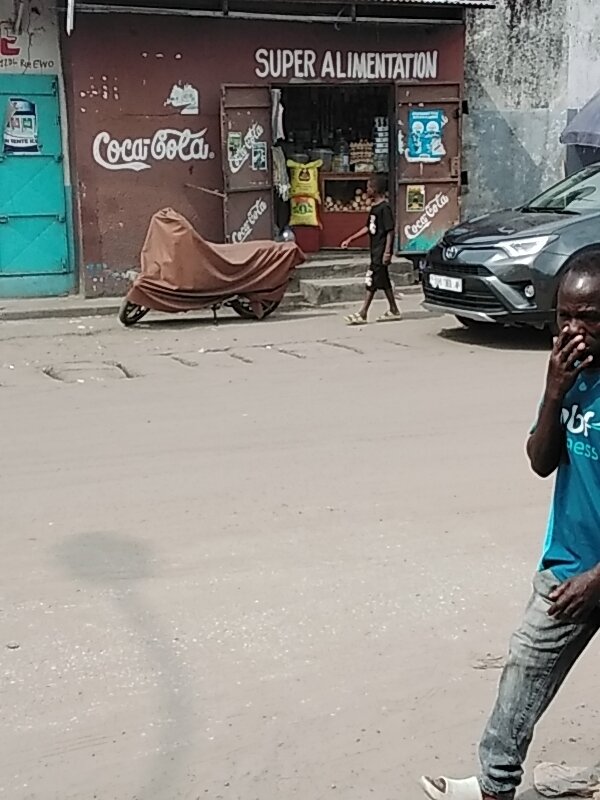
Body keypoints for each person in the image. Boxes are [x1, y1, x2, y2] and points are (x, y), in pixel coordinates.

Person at [420, 249, 600, 800]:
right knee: (526, 662)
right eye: (564, 316)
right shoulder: (571, 377)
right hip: (569, 565)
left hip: (594, 574)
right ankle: (494, 786)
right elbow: (540, 461)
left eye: (589, 317)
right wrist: (554, 392)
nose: (573, 330)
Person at [341, 173, 401, 325]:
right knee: (384, 281)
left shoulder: (385, 208)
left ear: (375, 189)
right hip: (375, 251)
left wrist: (387, 252)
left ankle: (363, 313)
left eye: (368, 187)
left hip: (380, 252)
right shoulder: (374, 208)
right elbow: (368, 227)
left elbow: (390, 231)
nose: (366, 190)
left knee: (371, 281)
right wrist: (350, 239)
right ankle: (394, 310)